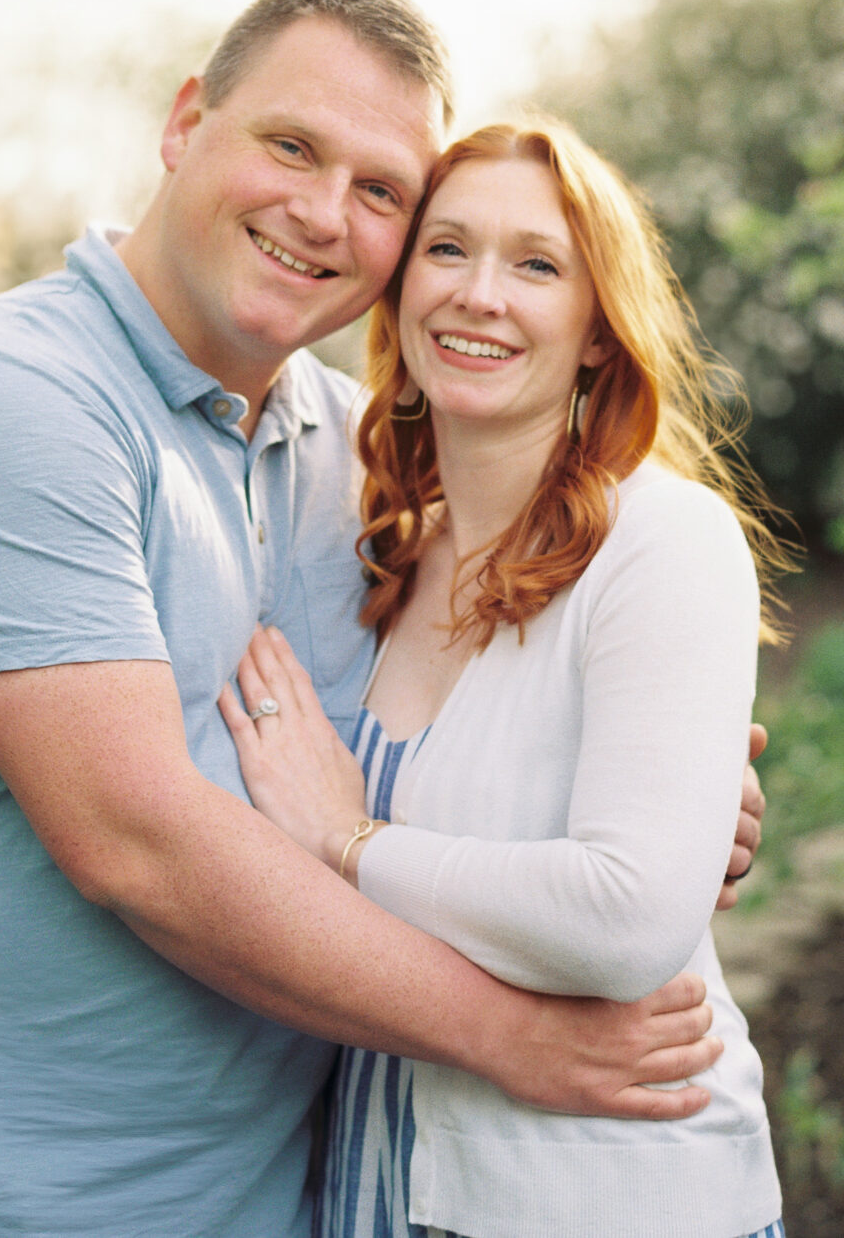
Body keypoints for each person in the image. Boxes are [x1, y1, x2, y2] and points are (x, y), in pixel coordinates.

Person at [0, 0, 765, 1238]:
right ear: (187, 124)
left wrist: (653, 807)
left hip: (281, 1201)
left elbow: (424, 757)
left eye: (382, 192)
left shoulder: (353, 467)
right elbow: (136, 840)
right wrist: (512, 1038)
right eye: (292, 147)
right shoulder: (11, 397)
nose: (320, 212)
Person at [219, 117, 784, 1238]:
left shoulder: (662, 542)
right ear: (397, 288)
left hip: (601, 1193)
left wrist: (355, 843)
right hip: (374, 1180)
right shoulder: (367, 554)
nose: (480, 294)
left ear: (594, 330)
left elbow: (624, 921)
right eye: (446, 250)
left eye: (536, 265)